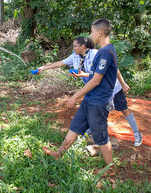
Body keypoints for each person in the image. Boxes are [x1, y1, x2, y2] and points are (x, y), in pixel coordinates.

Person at [43, 18, 119, 174]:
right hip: (90, 98)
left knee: (101, 136)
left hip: (99, 101)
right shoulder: (103, 51)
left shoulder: (106, 52)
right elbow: (92, 75)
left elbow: (96, 80)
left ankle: (110, 168)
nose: (90, 35)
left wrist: (75, 95)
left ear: (99, 32)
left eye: (92, 32)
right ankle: (59, 153)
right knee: (75, 126)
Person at [38, 38, 142, 146]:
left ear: (82, 46)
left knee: (123, 109)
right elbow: (60, 63)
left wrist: (123, 84)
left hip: (111, 88)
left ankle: (136, 133)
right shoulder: (75, 56)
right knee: (92, 110)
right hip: (94, 89)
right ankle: (87, 133)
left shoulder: (96, 54)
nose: (73, 49)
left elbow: (107, 72)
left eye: (75, 46)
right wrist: (43, 68)